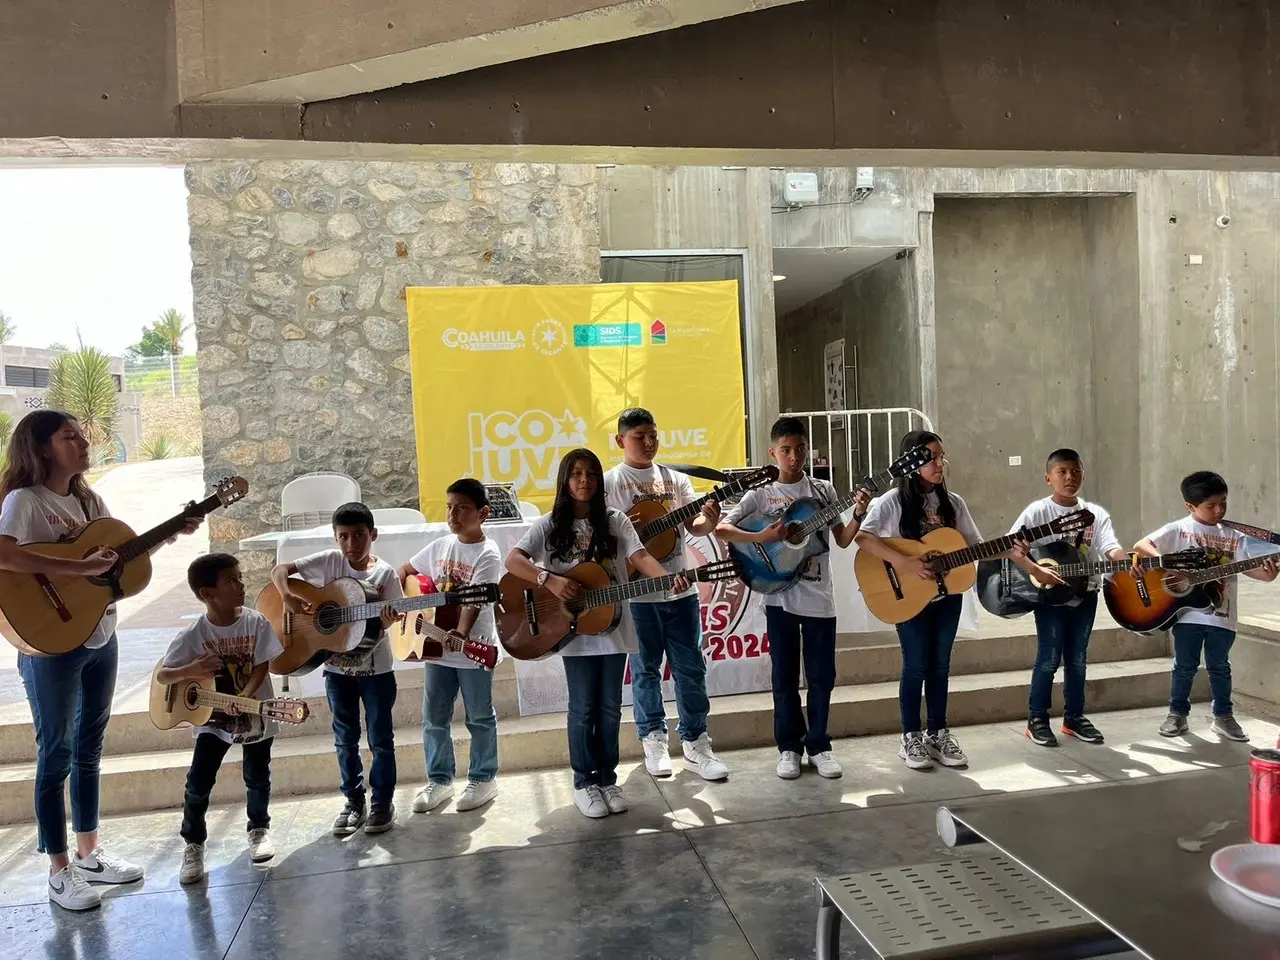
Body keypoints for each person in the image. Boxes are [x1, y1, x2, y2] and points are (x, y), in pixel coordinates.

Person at [0, 409, 200, 911]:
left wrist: (170, 532)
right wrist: (75, 564)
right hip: (48, 641)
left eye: (84, 437)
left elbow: (113, 558)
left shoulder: (89, 500)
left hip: (99, 632)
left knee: (90, 747)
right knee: (55, 754)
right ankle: (59, 870)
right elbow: (5, 554)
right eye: (71, 437)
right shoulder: (25, 500)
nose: (83, 444)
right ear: (43, 448)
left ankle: (89, 854)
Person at [505, 448, 687, 819]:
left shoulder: (615, 520)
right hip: (572, 632)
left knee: (608, 709)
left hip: (612, 628)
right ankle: (583, 783)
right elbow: (513, 561)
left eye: (590, 473)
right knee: (583, 707)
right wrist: (549, 580)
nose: (584, 480)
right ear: (565, 480)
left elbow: (639, 557)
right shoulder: (549, 524)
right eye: (576, 474)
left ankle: (607, 779)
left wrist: (668, 579)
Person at [718, 416, 868, 781]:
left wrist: (860, 511)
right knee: (784, 676)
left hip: (820, 597)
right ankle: (788, 747)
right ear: (773, 452)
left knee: (822, 676)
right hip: (777, 596)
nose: (794, 456)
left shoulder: (824, 492)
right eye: (786, 450)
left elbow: (844, 539)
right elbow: (724, 528)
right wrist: (762, 539)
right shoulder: (760, 494)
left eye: (800, 449)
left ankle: (819, 745)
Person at [603, 408, 727, 780]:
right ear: (620, 440)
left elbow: (697, 526)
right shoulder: (611, 483)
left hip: (681, 588)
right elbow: (605, 540)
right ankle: (653, 739)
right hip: (638, 595)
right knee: (644, 671)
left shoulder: (675, 480)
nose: (649, 442)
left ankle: (696, 741)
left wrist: (713, 515)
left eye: (653, 435)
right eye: (639, 436)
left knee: (691, 668)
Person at [270, 502, 402, 835]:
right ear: (335, 537)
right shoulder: (329, 562)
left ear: (373, 535)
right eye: (343, 537)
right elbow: (279, 571)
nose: (351, 544)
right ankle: (353, 802)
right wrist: (286, 596)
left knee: (380, 739)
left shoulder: (383, 574)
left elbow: (391, 617)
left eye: (359, 536)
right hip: (336, 673)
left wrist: (384, 622)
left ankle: (382, 803)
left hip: (377, 672)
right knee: (344, 739)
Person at [855, 430, 983, 771]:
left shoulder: (953, 503)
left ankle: (938, 733)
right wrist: (905, 562)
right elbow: (864, 539)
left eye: (941, 456)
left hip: (946, 596)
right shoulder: (890, 503)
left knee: (940, 665)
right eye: (930, 458)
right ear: (911, 464)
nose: (939, 464)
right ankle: (909, 735)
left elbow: (974, 544)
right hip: (906, 596)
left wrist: (1012, 547)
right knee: (916, 666)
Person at [158, 554, 283, 884]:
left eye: (240, 577)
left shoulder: (255, 622)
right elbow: (164, 677)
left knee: (257, 776)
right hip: (211, 723)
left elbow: (261, 664)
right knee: (198, 783)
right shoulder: (193, 634)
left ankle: (259, 829)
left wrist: (246, 696)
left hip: (254, 714)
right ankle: (194, 844)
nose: (241, 585)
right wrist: (192, 670)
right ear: (207, 593)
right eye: (232, 580)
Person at [1134, 471, 1278, 741]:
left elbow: (1252, 569)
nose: (1219, 510)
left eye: (1223, 502)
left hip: (1222, 615)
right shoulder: (1178, 529)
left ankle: (1223, 717)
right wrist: (1167, 562)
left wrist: (1268, 574)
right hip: (1187, 615)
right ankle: (1177, 715)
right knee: (1184, 666)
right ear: (1190, 506)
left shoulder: (1235, 535)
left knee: (1220, 666)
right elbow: (1141, 546)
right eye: (1211, 505)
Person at [1007, 449, 1127, 747]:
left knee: (1078, 658)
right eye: (1062, 472)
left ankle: (1074, 717)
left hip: (1087, 593)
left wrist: (1126, 561)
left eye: (1075, 471)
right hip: (1049, 597)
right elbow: (1014, 548)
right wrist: (1038, 571)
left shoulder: (1095, 514)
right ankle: (1037, 719)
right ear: (1049, 478)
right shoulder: (1037, 512)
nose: (1070, 477)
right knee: (1048, 657)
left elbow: (1110, 546)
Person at [399, 478, 503, 814]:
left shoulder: (488, 553)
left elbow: (474, 600)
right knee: (434, 718)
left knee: (479, 716)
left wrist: (461, 631)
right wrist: (406, 600)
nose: (453, 514)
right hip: (436, 647)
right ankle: (440, 780)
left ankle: (484, 777)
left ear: (483, 513)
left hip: (474, 648)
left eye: (462, 508)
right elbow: (406, 571)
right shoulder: (440, 546)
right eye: (449, 507)